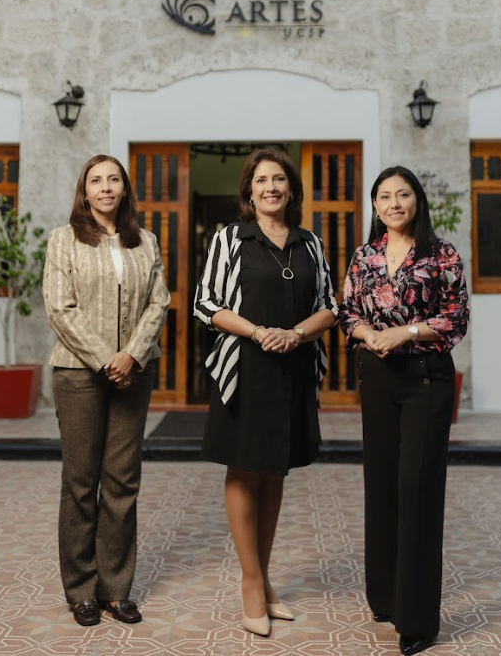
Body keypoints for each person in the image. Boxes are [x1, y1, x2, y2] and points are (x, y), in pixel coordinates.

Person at [194, 146, 338, 637]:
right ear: (249, 191)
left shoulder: (310, 243)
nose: (271, 187)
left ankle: (265, 577)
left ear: (291, 189)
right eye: (261, 180)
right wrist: (258, 332)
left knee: (275, 470)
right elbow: (206, 303)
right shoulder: (230, 238)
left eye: (279, 179)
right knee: (244, 468)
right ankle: (251, 582)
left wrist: (295, 334)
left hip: (294, 366)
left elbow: (330, 306)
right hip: (245, 367)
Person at [339, 166, 469, 656]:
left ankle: (417, 619)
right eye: (385, 196)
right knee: (382, 482)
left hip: (425, 379)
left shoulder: (442, 254)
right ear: (375, 205)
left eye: (403, 194)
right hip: (376, 378)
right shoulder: (365, 255)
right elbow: (348, 311)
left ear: (417, 200)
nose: (394, 203)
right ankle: (386, 596)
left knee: (417, 486)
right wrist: (368, 334)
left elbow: (456, 317)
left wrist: (406, 332)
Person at [43, 154, 170, 627]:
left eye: (113, 179)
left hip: (133, 372)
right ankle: (81, 590)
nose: (105, 187)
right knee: (80, 483)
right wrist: (104, 358)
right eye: (96, 180)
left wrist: (131, 355)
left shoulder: (146, 241)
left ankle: (115, 589)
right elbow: (60, 307)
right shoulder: (63, 239)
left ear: (124, 188)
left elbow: (159, 302)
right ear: (85, 190)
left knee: (122, 481)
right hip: (79, 374)